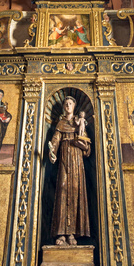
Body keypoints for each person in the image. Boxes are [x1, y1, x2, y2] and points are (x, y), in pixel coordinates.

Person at [48, 95, 91, 246]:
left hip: (77, 162)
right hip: (65, 161)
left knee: (75, 192)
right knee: (63, 191)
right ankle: (61, 233)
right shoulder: (61, 123)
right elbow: (55, 140)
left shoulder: (80, 124)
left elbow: (87, 147)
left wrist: (83, 146)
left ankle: (72, 233)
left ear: (74, 106)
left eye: (70, 103)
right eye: (65, 103)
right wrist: (52, 152)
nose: (67, 105)